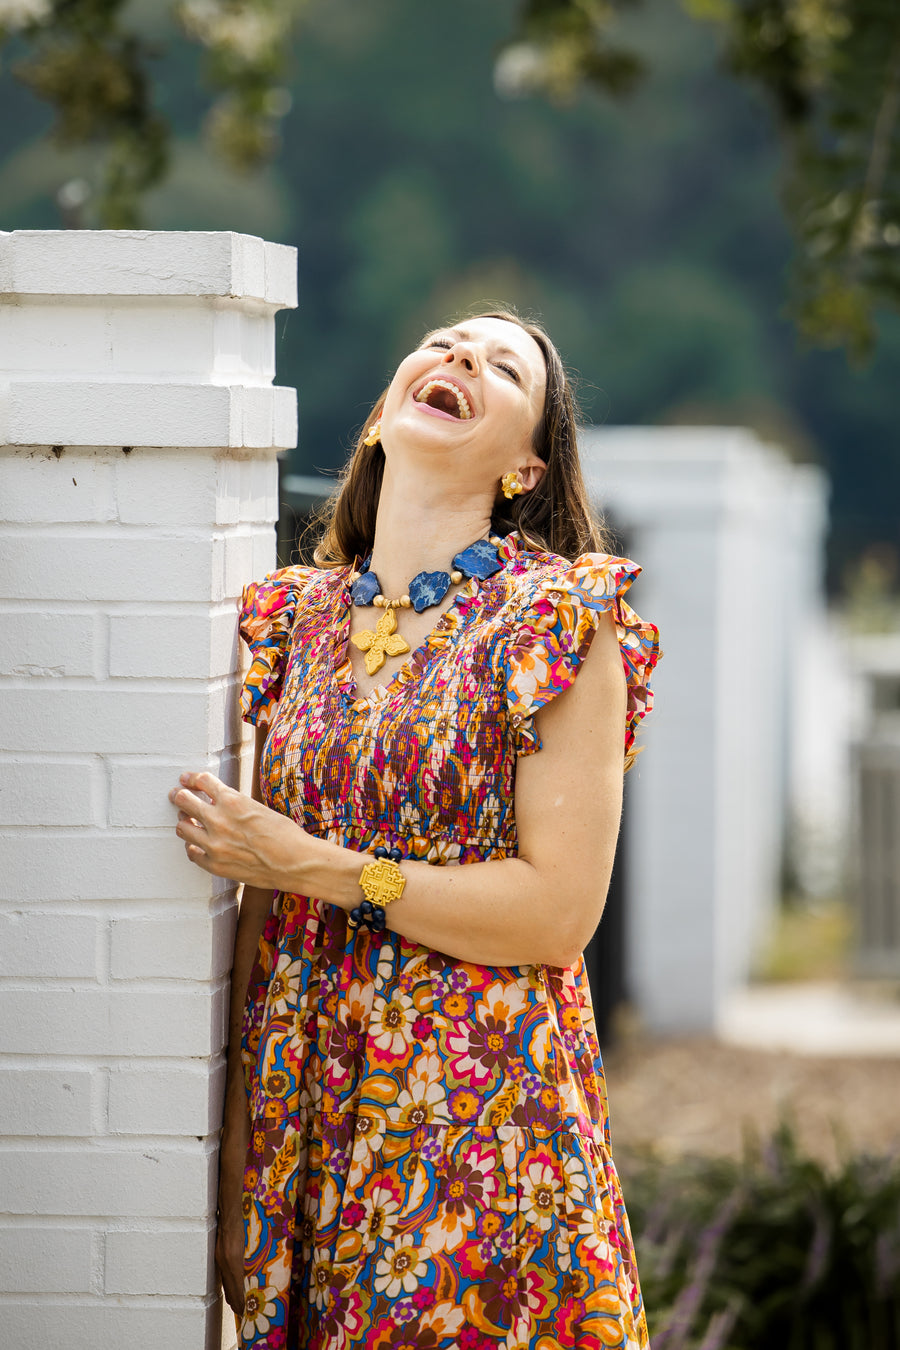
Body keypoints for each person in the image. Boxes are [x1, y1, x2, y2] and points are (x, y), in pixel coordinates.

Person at [169, 309, 660, 1350]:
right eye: (445, 342)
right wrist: (232, 1165)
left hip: (480, 1109)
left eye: (502, 364)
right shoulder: (289, 621)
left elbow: (556, 916)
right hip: (304, 1111)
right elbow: (262, 893)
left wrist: (327, 869)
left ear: (526, 468)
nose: (461, 359)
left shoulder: (557, 621)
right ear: (382, 416)